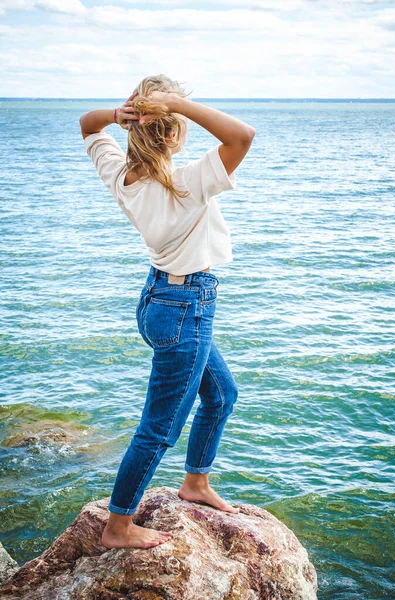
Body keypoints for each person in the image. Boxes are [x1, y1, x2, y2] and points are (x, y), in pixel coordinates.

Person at [79, 74, 255, 550]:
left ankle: (194, 483)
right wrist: (175, 103)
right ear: (175, 131)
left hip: (159, 300)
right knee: (158, 428)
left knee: (221, 396)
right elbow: (242, 136)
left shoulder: (121, 173)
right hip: (187, 307)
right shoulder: (187, 182)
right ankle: (119, 526)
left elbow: (87, 125)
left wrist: (118, 116)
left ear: (135, 126)